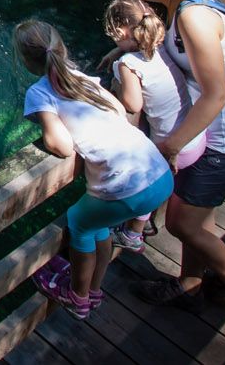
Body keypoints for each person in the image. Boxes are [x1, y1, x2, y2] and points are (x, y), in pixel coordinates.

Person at [113, 0, 225, 312]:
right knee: (197, 220)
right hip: (210, 134)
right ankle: (190, 284)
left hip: (221, 141)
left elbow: (216, 95)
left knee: (182, 224)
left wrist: (171, 145)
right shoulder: (187, 0)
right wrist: (124, 50)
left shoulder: (193, 16)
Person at [16, 20, 174, 319]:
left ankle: (77, 296)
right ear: (61, 46)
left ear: (25, 61)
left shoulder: (40, 93)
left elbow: (60, 145)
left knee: (79, 222)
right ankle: (94, 290)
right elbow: (117, 109)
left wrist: (62, 127)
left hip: (127, 190)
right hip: (159, 174)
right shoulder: (83, 78)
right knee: (99, 224)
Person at [102, 0, 206, 252]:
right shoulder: (159, 47)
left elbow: (133, 104)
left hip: (173, 147)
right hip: (195, 137)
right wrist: (119, 50)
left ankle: (133, 234)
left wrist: (111, 88)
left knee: (145, 181)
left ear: (121, 30)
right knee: (159, 180)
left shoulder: (128, 64)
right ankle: (147, 220)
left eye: (114, 36)